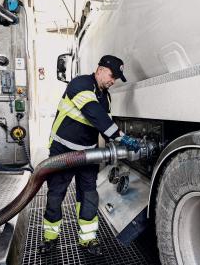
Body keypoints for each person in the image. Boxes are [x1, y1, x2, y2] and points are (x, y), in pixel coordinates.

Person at [39, 55, 139, 255]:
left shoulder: (106, 96)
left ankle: (88, 239)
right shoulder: (81, 84)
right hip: (63, 151)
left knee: (89, 195)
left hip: (88, 154)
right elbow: (94, 113)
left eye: (117, 78)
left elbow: (103, 125)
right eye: (112, 75)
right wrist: (121, 137)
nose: (113, 80)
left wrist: (116, 147)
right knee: (56, 195)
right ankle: (50, 239)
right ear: (100, 69)